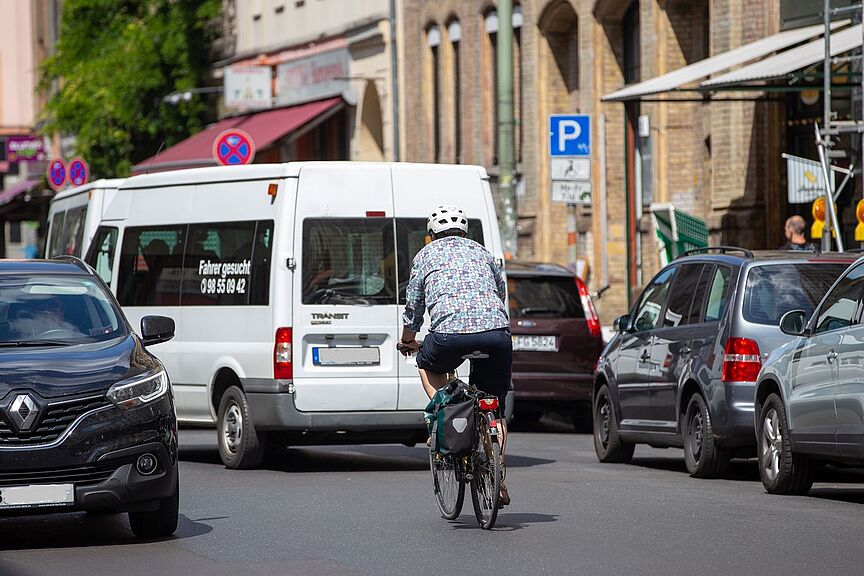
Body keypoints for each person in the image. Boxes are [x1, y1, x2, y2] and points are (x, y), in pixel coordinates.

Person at [397, 204, 512, 506]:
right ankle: (498, 476)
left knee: (424, 361)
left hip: (449, 337)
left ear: (430, 236)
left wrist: (408, 339)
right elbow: (500, 292)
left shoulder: (426, 256)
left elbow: (414, 306)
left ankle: (442, 414)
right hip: (497, 334)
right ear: (465, 232)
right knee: (495, 408)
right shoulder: (482, 252)